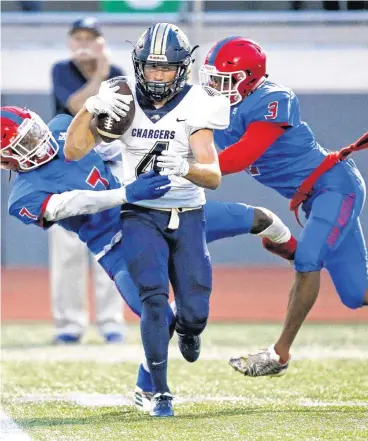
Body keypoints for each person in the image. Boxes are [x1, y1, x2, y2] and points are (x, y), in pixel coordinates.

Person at [1, 105, 297, 414]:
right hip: (115, 246)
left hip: (154, 213)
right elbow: (76, 202)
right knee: (158, 316)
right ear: (5, 159)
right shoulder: (24, 196)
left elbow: (111, 148)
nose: (39, 140)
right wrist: (125, 193)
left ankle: (297, 256)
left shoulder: (64, 126)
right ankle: (149, 380)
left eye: (34, 131)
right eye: (25, 142)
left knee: (262, 218)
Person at [199, 37, 368, 378]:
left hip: (334, 186)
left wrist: (183, 165)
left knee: (308, 259)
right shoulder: (217, 109)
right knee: (356, 294)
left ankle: (278, 354)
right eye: (211, 79)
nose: (215, 87)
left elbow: (241, 156)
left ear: (249, 76)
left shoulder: (273, 97)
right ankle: (295, 251)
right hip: (311, 200)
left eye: (223, 80)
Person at [50, 17, 126, 344]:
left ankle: (111, 322)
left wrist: (106, 72)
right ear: (70, 41)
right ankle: (69, 324)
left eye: (89, 37)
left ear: (100, 41)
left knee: (110, 242)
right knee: (66, 250)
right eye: (77, 37)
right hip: (66, 167)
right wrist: (99, 73)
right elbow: (76, 104)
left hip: (108, 167)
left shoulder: (119, 73)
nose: (83, 42)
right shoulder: (61, 70)